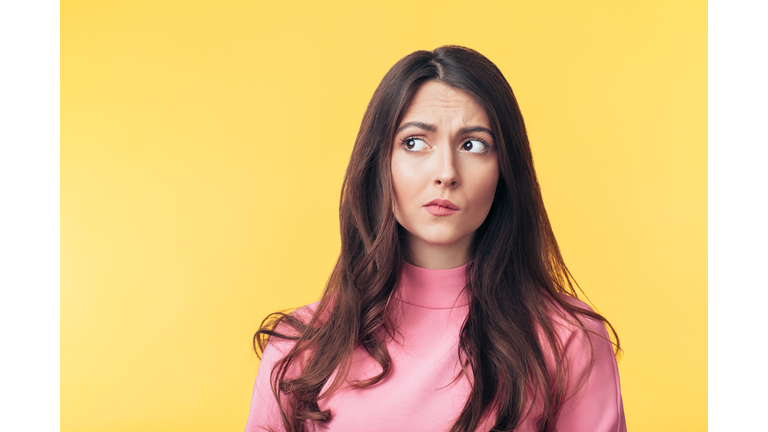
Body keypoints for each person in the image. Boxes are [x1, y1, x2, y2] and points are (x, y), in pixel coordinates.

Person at [245, 46, 626, 432]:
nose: (446, 172)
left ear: (505, 170)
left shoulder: (568, 340)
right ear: (380, 163)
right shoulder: (299, 347)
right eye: (414, 142)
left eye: (473, 145)